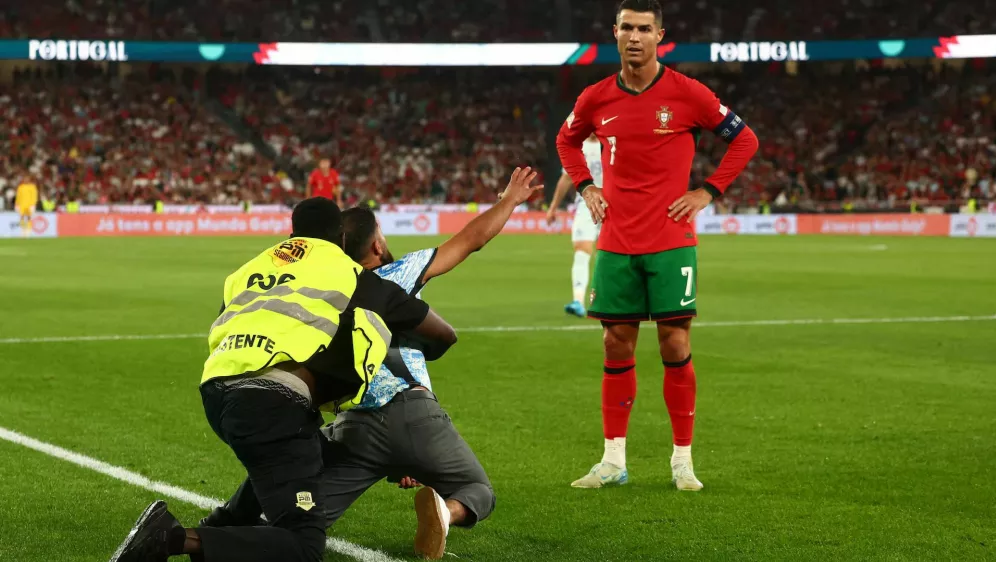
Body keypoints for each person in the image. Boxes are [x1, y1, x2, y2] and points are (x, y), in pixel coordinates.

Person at [200, 168, 543, 560]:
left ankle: (223, 530)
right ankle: (446, 515)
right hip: (412, 412)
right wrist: (509, 200)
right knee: (478, 491)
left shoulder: (315, 288)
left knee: (300, 515)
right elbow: (469, 241)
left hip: (350, 424)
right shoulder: (390, 278)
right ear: (376, 245)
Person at [109, 198, 458, 562]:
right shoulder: (353, 276)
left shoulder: (249, 269)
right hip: (272, 404)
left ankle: (223, 522)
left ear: (292, 234)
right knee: (304, 547)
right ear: (341, 238)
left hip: (217, 392)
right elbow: (444, 334)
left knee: (322, 453)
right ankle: (174, 539)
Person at [555, 0, 758, 491]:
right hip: (617, 239)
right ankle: (613, 461)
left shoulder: (689, 94)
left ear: (659, 35)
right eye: (627, 27)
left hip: (670, 239)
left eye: (645, 28)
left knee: (675, 342)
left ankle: (682, 460)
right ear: (615, 32)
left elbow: (745, 139)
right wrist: (586, 186)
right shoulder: (595, 98)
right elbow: (565, 141)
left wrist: (707, 191)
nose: (635, 37)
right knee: (614, 341)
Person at [547, 134, 603, 317]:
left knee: (614, 253)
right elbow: (566, 179)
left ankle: (613, 300)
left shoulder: (613, 141)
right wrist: (553, 208)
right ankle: (578, 300)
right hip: (586, 204)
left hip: (614, 204)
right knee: (582, 250)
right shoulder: (579, 147)